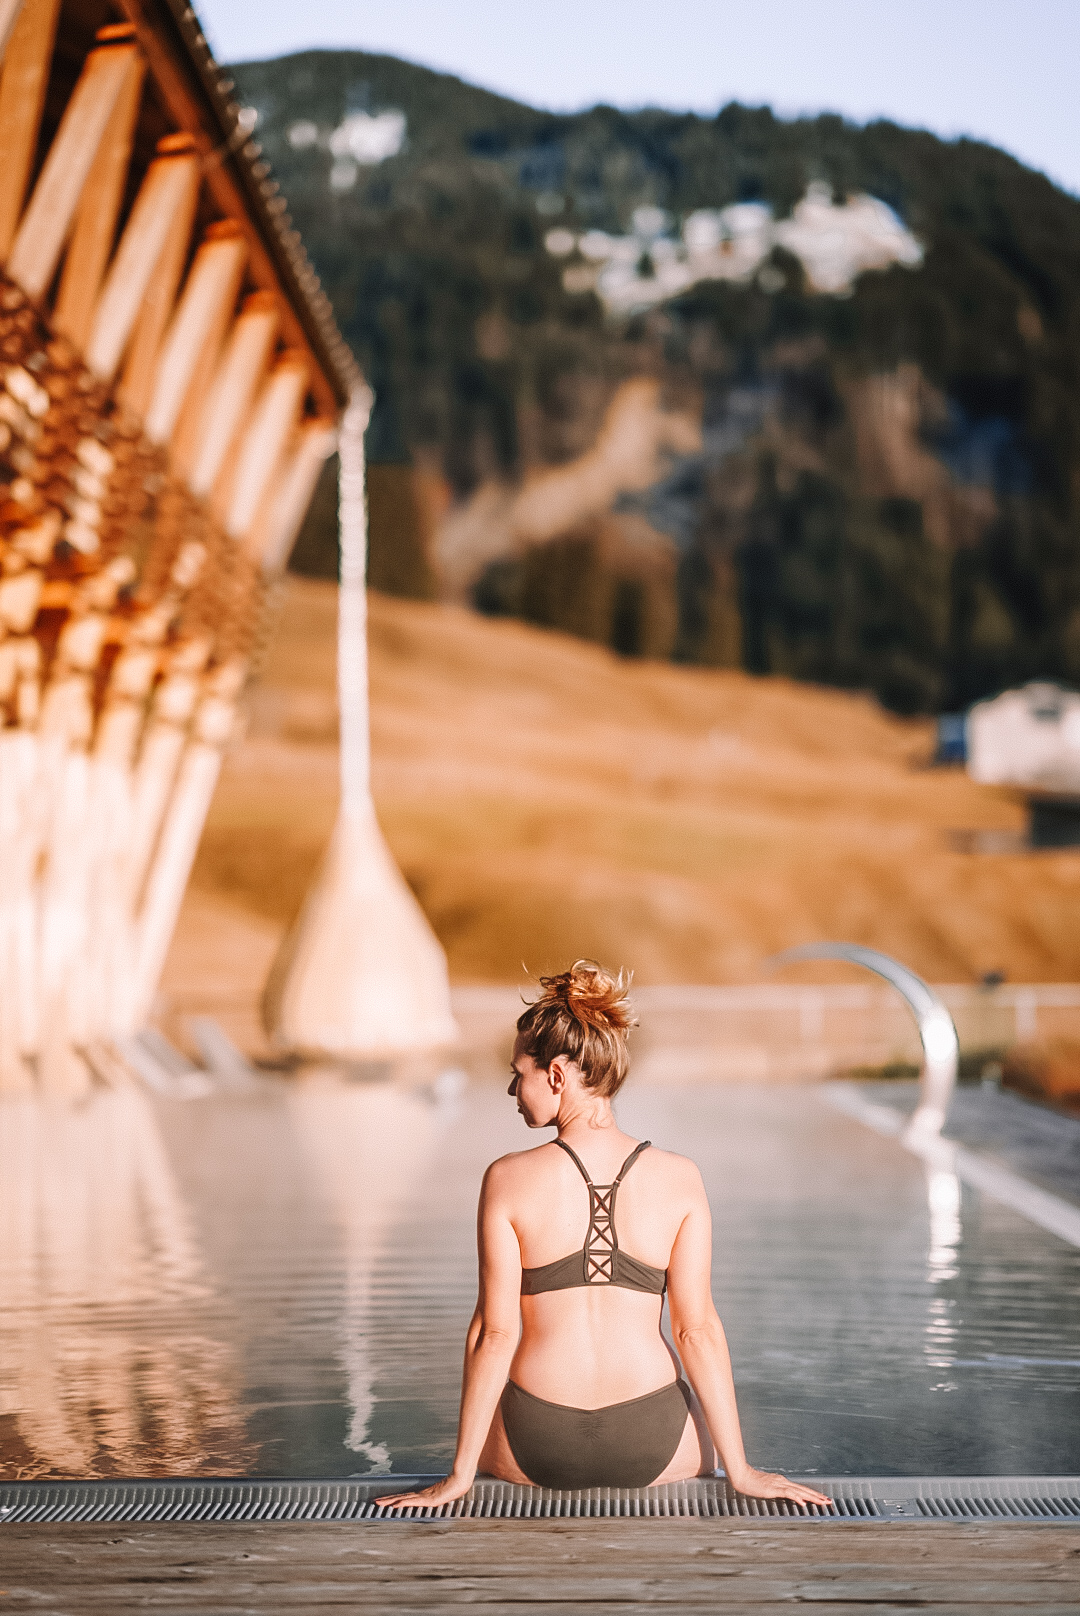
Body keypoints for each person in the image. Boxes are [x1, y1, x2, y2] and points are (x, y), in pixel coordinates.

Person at [378, 961, 832, 1510]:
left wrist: (459, 1476)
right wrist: (742, 1471)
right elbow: (698, 1330)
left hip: (536, 1441)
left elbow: (493, 1334)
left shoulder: (507, 1178)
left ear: (556, 1076)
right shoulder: (680, 1177)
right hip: (655, 1439)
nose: (510, 1088)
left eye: (518, 1072)